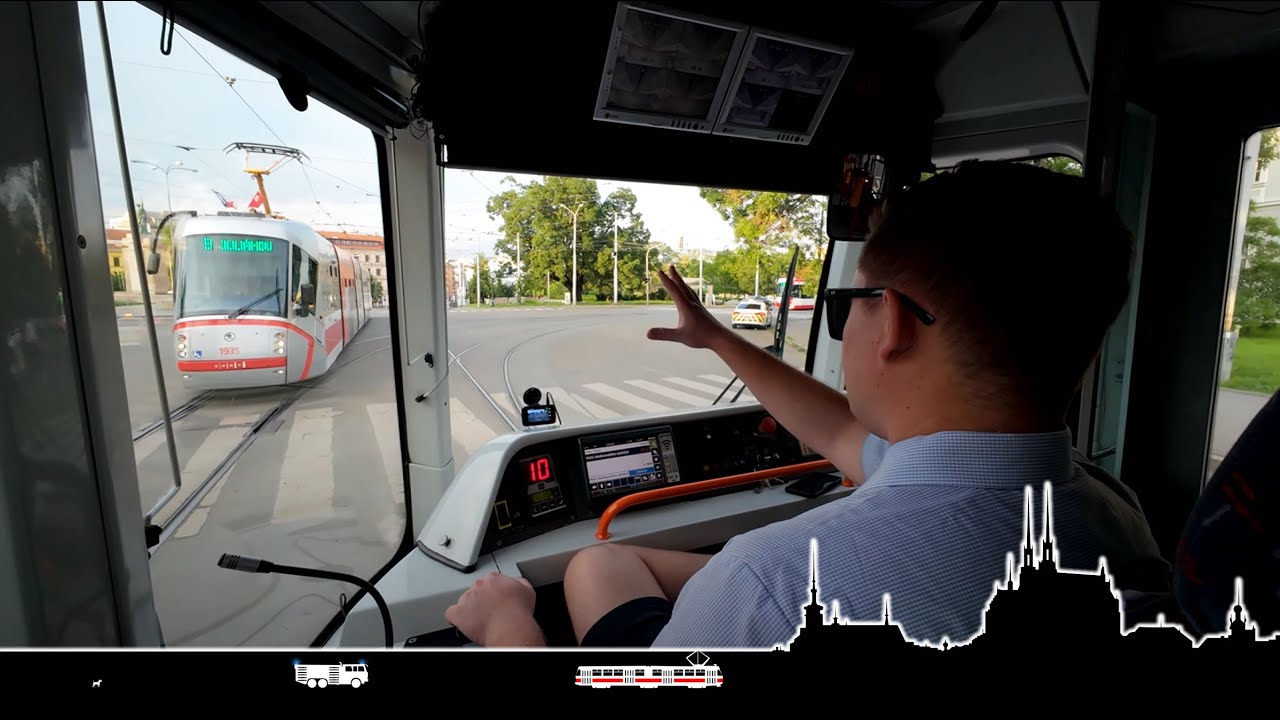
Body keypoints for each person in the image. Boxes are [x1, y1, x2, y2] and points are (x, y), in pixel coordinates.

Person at [444, 160, 1171, 648]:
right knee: (597, 566)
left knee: (592, 567)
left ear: (887, 322)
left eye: (846, 305)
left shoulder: (777, 579)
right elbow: (841, 431)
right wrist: (720, 341)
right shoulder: (1116, 513)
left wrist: (509, 626)